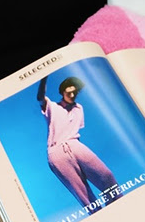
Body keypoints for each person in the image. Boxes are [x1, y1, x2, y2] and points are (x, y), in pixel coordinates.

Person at [37, 74, 119, 210]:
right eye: (69, 92)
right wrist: (43, 78)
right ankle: (101, 217)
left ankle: (118, 207)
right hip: (56, 152)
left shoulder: (79, 108)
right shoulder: (51, 106)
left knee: (106, 176)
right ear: (62, 92)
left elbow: (75, 128)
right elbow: (40, 97)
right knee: (83, 195)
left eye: (75, 92)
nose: (72, 95)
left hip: (75, 144)